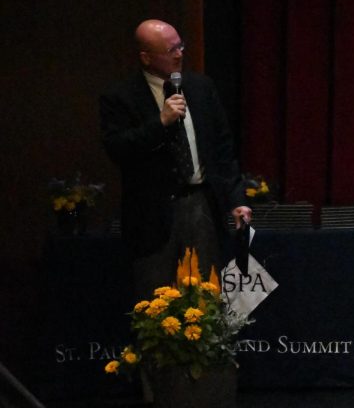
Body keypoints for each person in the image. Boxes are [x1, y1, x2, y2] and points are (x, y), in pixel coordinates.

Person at [100, 19, 252, 300]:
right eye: (170, 50)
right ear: (146, 57)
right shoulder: (120, 97)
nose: (179, 54)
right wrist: (160, 122)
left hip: (201, 204)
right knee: (156, 298)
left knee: (206, 296)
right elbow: (118, 149)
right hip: (152, 213)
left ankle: (207, 344)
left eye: (180, 46)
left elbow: (222, 147)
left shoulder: (201, 87)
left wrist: (236, 198)